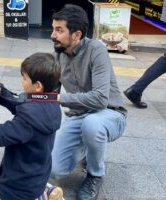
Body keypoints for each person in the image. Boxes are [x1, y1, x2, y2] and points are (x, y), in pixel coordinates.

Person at [50, 4, 127, 200]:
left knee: (92, 124)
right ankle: (88, 150)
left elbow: (101, 99)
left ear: (76, 35)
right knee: (54, 170)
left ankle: (95, 175)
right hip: (78, 116)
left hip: (110, 114)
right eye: (53, 29)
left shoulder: (97, 50)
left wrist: (61, 98)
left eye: (59, 30)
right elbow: (50, 95)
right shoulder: (58, 55)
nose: (53, 35)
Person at [0, 52, 64, 200]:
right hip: (36, 178)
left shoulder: (29, 118)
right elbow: (22, 105)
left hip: (16, 190)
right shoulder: (51, 103)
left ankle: (44, 195)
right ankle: (45, 191)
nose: (21, 80)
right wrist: (0, 92)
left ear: (37, 86)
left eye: (24, 78)